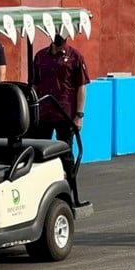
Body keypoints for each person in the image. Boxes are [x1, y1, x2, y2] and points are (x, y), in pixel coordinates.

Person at [32, 33, 90, 186]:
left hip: (64, 113)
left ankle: (70, 192)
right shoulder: (40, 56)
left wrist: (79, 115)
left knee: (66, 154)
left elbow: (81, 87)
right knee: (39, 151)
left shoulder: (75, 57)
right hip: (44, 112)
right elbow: (34, 85)